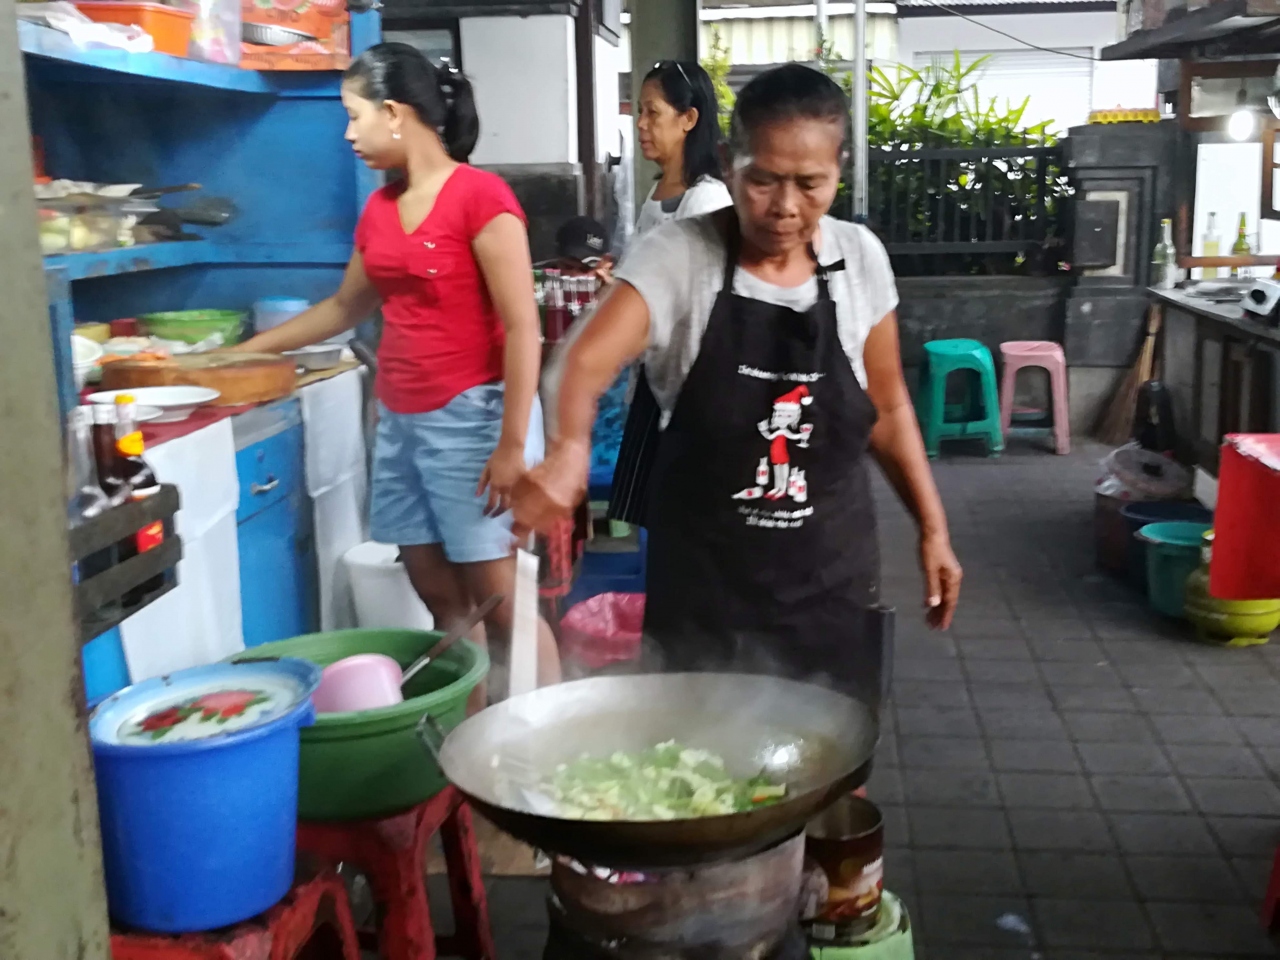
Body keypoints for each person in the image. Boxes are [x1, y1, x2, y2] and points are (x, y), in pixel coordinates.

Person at [513, 64, 962, 696]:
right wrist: (566, 453)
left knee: (828, 770)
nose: (784, 207)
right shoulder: (680, 256)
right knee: (698, 770)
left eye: (811, 184)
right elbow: (579, 363)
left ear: (840, 169)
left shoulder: (859, 258)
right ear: (728, 161)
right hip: (705, 588)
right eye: (762, 180)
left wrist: (932, 528)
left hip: (829, 584)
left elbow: (886, 406)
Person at [234, 42, 559, 693]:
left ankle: (546, 742)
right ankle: (474, 743)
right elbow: (345, 307)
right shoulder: (381, 209)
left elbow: (526, 328)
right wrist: (239, 353)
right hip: (401, 426)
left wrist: (510, 446)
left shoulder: (480, 197)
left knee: (499, 597)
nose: (349, 134)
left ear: (393, 111)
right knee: (439, 597)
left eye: (354, 117)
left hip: (474, 419)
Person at [633, 60, 731, 239]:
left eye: (652, 112)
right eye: (641, 111)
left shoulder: (708, 199)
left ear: (688, 118)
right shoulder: (658, 190)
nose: (641, 123)